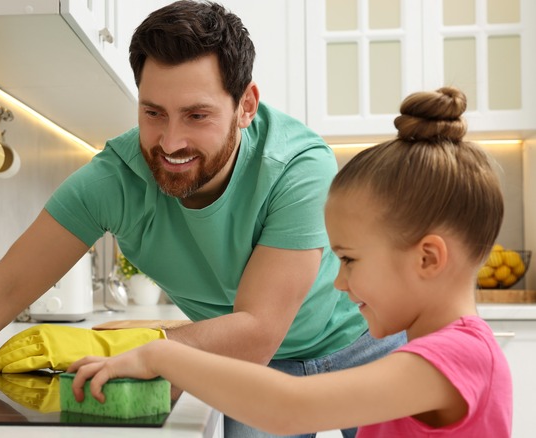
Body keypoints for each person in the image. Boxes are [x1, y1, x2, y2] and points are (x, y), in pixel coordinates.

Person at [0, 2, 403, 436]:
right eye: (153, 112)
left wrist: (116, 347)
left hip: (358, 345)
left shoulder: (298, 167)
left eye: (197, 115)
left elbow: (257, 331)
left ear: (246, 106)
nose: (170, 142)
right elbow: (6, 284)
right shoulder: (114, 177)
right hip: (244, 367)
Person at [68, 87, 513, 437]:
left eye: (349, 259)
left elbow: (289, 406)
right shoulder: (438, 352)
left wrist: (162, 355)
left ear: (428, 258)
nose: (338, 283)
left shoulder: (456, 358)